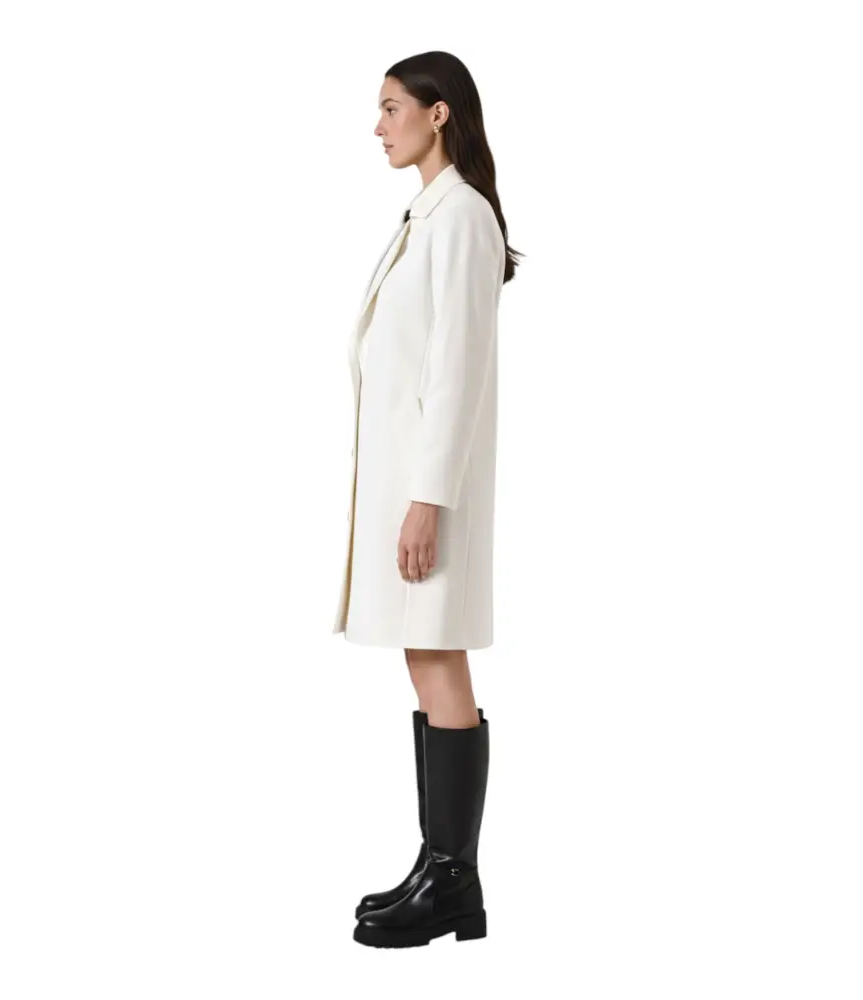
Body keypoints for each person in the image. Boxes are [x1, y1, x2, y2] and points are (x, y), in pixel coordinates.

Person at [333, 51, 522, 948]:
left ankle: (454, 882)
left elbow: (456, 373)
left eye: (390, 108)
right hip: (411, 485)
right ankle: (441, 867)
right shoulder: (430, 213)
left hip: (427, 490)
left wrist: (427, 499)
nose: (378, 126)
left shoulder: (463, 218)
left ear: (438, 114)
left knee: (439, 657)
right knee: (425, 655)